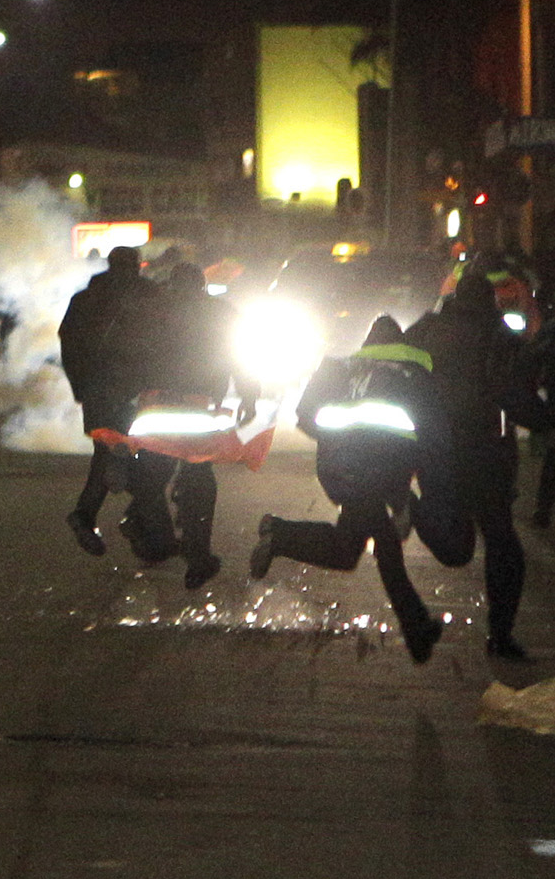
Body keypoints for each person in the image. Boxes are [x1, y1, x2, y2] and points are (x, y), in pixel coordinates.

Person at [248, 316, 452, 662]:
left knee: (365, 548)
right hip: (378, 475)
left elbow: (305, 415)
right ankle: (279, 535)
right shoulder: (414, 374)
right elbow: (433, 435)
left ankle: (418, 629)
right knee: (367, 549)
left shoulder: (341, 367)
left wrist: (338, 442)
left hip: (340, 470)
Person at [406, 272, 555, 661]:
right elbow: (515, 395)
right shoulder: (497, 337)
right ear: (489, 301)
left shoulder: (427, 328)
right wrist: (544, 419)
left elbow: (402, 371)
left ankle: (414, 509)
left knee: (458, 545)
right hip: (485, 452)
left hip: (436, 447)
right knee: (502, 543)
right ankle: (500, 636)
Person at [124, 262, 259, 588]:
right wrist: (249, 397)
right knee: (198, 477)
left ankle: (151, 535)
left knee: (150, 476)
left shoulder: (151, 314)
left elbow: (128, 357)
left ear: (171, 285)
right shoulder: (221, 313)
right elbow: (242, 359)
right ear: (202, 286)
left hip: (155, 407)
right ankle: (197, 557)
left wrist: (126, 399)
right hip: (199, 409)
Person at [58, 244, 157, 556]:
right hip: (138, 389)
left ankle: (91, 516)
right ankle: (136, 520)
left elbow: (69, 346)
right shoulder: (149, 296)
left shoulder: (84, 300)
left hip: (96, 389)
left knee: (109, 451)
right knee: (148, 456)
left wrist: (79, 386)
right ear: (137, 266)